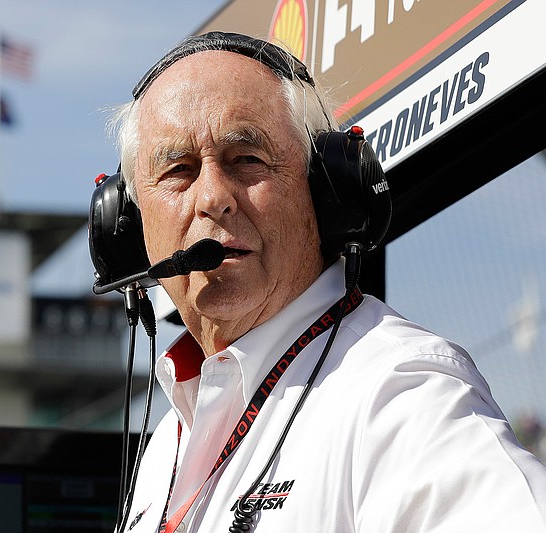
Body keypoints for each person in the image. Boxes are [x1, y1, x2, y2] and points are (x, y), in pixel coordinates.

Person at [103, 32, 546, 532]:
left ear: (323, 191)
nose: (213, 198)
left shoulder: (397, 390)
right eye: (178, 170)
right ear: (133, 227)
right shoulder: (166, 443)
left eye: (247, 159)